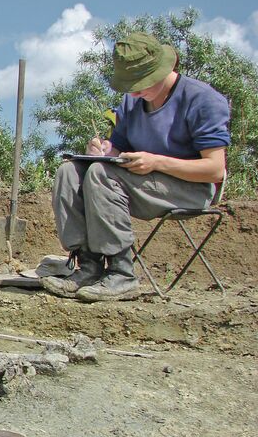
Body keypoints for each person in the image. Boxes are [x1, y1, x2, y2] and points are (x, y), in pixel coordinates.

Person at [42, 32, 230, 302]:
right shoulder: (133, 102)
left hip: (190, 189)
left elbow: (214, 170)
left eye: (141, 84)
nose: (135, 92)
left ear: (162, 70)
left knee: (101, 175)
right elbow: (117, 150)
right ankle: (89, 267)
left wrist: (156, 162)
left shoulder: (202, 100)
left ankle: (121, 273)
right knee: (69, 171)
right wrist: (101, 150)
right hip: (139, 183)